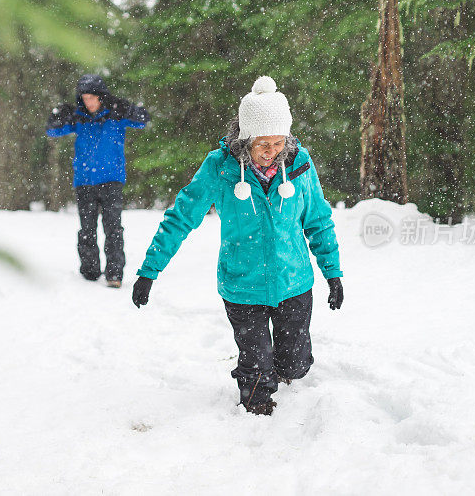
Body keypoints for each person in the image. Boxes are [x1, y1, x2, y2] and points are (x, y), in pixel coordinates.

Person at [132, 76, 343, 415]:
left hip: (294, 282)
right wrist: (149, 271)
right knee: (256, 375)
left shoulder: (300, 164)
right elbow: (180, 218)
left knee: (295, 366)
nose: (271, 153)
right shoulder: (220, 168)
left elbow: (318, 219)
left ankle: (280, 368)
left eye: (278, 144)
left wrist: (332, 273)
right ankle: (256, 412)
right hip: (242, 285)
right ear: (246, 139)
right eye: (263, 144)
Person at [46, 74, 149, 288]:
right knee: (87, 229)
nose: (88, 102)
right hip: (84, 181)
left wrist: (129, 108)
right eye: (84, 98)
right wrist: (58, 116)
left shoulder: (116, 115)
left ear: (101, 97)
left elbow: (143, 120)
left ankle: (114, 273)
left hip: (112, 180)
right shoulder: (79, 118)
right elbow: (52, 131)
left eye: (92, 97)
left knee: (113, 228)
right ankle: (90, 271)